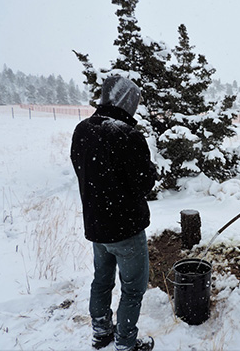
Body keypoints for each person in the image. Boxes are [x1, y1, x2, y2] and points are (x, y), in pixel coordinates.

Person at [71, 75, 157, 351]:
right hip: (127, 230)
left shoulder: (82, 130)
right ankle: (125, 343)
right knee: (133, 290)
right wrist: (150, 170)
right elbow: (145, 183)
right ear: (124, 101)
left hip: (97, 226)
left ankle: (101, 332)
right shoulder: (127, 135)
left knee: (101, 280)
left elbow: (81, 169)